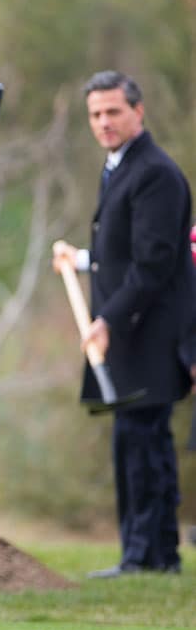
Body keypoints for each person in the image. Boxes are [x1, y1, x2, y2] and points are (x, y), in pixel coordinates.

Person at [53, 70, 196, 577]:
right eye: (95, 114)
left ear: (139, 111)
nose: (104, 122)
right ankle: (155, 556)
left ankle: (146, 557)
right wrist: (85, 258)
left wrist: (107, 319)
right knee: (137, 441)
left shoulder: (155, 172)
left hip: (151, 333)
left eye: (113, 111)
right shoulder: (119, 167)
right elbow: (126, 252)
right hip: (128, 331)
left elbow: (155, 263)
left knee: (144, 444)